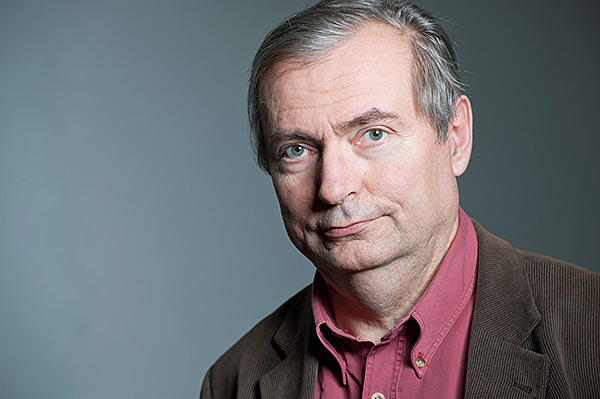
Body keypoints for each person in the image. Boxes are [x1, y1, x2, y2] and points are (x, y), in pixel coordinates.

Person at [201, 0, 599, 397]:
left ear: (456, 137)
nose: (333, 188)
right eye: (297, 150)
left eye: (373, 134)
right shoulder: (233, 381)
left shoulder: (590, 330)